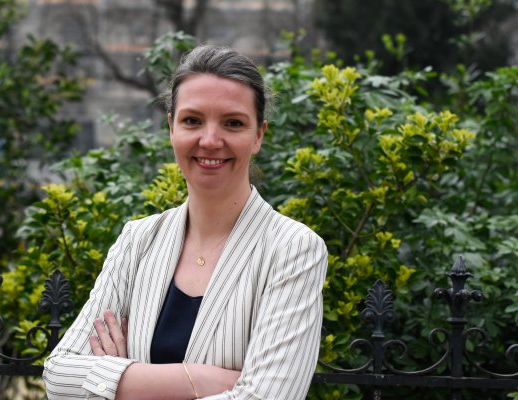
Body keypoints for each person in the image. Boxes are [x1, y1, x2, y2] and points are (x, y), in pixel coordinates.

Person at [43, 45, 328, 400]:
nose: (209, 141)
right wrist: (197, 379)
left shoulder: (293, 249)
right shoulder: (138, 240)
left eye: (233, 123)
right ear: (171, 128)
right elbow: (58, 377)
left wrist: (122, 382)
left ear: (258, 135)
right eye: (192, 121)